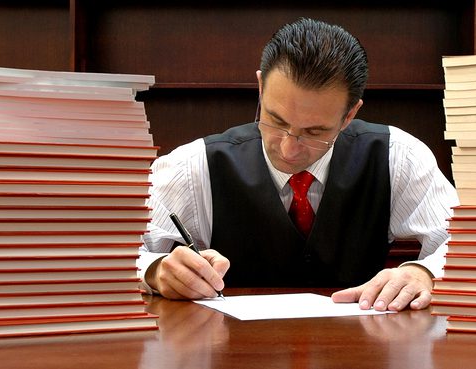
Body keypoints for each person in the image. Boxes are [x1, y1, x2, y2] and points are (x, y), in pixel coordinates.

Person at [139, 17, 458, 311]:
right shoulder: (190, 168)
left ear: (349, 115)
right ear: (261, 88)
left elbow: (467, 244)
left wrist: (423, 272)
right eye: (275, 121)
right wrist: (156, 271)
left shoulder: (398, 158)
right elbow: (111, 254)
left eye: (315, 132)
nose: (289, 149)